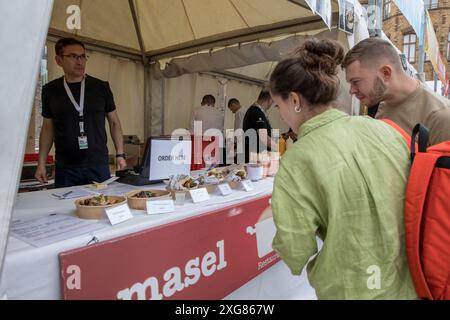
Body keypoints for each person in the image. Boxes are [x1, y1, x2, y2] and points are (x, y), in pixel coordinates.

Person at [269, 38, 417, 299]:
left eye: (278, 106)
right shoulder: (386, 130)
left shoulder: (298, 160)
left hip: (352, 288)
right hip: (410, 283)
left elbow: (296, 250)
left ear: (294, 100)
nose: (280, 115)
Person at [35, 38, 127, 188]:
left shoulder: (100, 87)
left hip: (97, 164)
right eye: (73, 56)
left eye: (83, 56)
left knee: (100, 205)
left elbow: (114, 122)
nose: (79, 61)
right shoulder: (50, 90)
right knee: (65, 209)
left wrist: (120, 154)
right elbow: (47, 128)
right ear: (59, 60)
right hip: (66, 166)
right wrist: (41, 163)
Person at [342, 37, 450, 145]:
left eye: (356, 81)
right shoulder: (378, 101)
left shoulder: (441, 116)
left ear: (385, 73)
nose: (352, 91)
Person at [242, 90, 274, 163]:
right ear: (269, 100)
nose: (272, 104)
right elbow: (264, 137)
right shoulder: (256, 112)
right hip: (255, 157)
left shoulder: (253, 110)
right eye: (273, 101)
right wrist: (277, 148)